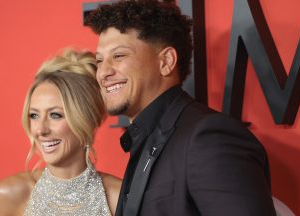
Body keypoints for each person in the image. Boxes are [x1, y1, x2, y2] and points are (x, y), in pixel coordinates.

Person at [85, 0, 277, 215]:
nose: (103, 73)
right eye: (99, 61)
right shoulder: (146, 139)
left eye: (119, 56)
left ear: (166, 61)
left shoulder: (209, 137)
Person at [0, 49, 122, 216]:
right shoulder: (9, 194)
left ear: (87, 120)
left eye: (55, 115)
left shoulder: (118, 197)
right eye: (34, 115)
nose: (40, 129)